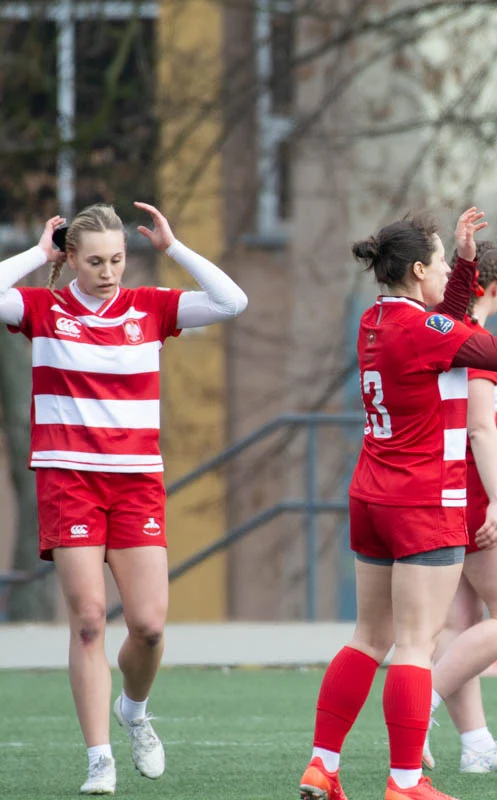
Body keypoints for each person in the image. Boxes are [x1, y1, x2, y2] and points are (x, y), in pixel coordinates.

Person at [0, 204, 248, 795]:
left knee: (149, 626)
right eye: (94, 261)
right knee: (88, 621)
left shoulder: (152, 307)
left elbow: (233, 302)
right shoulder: (42, 308)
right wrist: (39, 254)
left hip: (136, 481)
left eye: (116, 259)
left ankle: (133, 712)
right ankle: (99, 760)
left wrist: (174, 248)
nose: (108, 271)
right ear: (72, 259)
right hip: (69, 481)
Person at [298, 209, 497, 800]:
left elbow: (439, 320)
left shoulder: (375, 318)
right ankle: (406, 781)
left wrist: (460, 259)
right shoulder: (424, 330)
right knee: (414, 641)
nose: (445, 274)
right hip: (423, 499)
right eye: (436, 264)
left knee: (368, 637)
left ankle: (322, 764)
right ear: (416, 270)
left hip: (372, 494)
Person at [424, 242, 497, 774]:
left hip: (457, 490)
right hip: (479, 493)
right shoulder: (473, 340)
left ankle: (475, 745)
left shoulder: (453, 333)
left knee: (461, 622)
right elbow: (478, 427)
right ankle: (415, 705)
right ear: (494, 287)